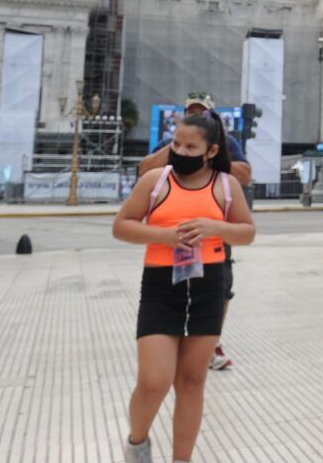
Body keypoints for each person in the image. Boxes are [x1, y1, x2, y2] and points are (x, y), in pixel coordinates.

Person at [113, 110, 256, 463]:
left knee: (192, 381)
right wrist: (163, 235)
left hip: (208, 285)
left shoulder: (226, 185)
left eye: (191, 146)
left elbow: (248, 231)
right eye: (177, 143)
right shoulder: (155, 182)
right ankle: (137, 444)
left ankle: (182, 459)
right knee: (154, 379)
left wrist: (214, 227)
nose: (180, 151)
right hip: (162, 287)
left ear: (210, 151)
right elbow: (121, 226)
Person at [139, 93, 251, 372]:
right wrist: (179, 149)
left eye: (202, 113)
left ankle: (212, 342)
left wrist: (213, 153)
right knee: (171, 288)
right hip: (173, 234)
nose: (197, 116)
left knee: (221, 287)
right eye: (192, 112)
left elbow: (245, 174)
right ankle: (171, 340)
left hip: (214, 230)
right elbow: (144, 169)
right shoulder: (172, 143)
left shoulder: (226, 143)